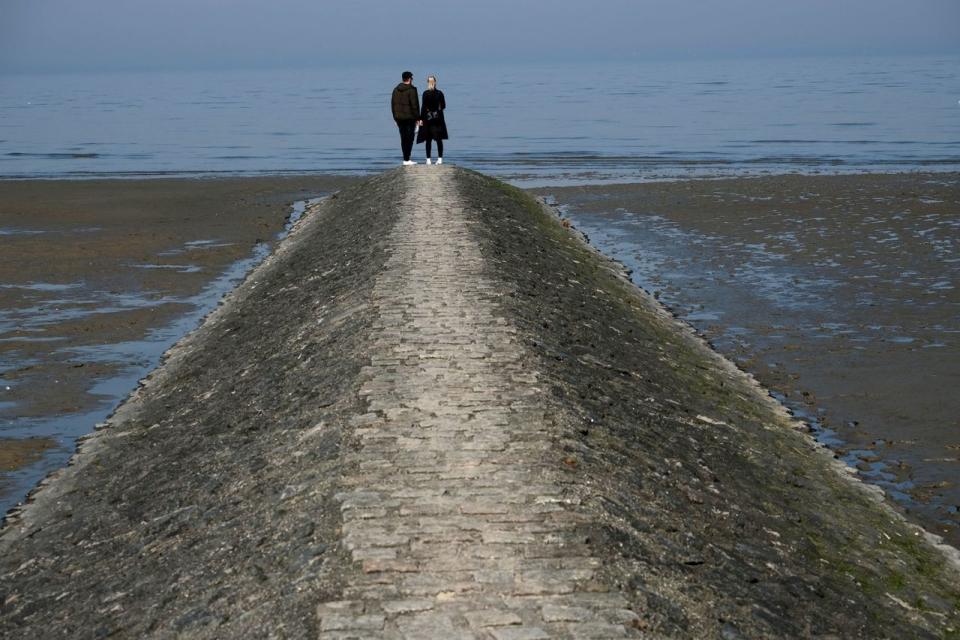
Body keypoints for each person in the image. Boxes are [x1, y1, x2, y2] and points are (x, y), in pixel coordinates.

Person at [391, 71, 421, 165]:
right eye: (412, 78)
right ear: (409, 79)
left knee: (403, 138)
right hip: (409, 118)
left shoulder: (396, 89)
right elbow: (414, 105)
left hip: (399, 118)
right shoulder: (412, 90)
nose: (412, 80)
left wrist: (395, 118)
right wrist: (418, 119)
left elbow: (393, 105)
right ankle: (407, 159)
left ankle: (406, 159)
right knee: (410, 138)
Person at [417, 75, 448, 165]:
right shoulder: (439, 93)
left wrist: (420, 119)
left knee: (428, 140)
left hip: (427, 119)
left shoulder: (425, 93)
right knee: (439, 139)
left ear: (428, 82)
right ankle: (440, 159)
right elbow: (443, 106)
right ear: (435, 82)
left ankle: (428, 159)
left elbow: (423, 107)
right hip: (438, 119)